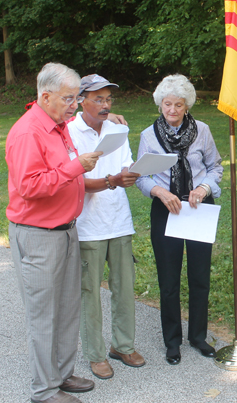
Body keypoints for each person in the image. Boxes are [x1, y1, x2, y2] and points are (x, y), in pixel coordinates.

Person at [6, 63, 102, 403]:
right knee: (43, 314)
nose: (74, 105)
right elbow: (30, 187)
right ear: (45, 96)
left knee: (66, 308)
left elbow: (62, 171)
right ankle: (44, 390)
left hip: (64, 230)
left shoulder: (56, 125)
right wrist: (77, 167)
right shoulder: (28, 132)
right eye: (69, 99)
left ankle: (61, 374)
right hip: (37, 235)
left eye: (76, 98)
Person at [136, 74, 223, 365]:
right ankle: (172, 341)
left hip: (199, 207)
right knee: (169, 280)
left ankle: (198, 336)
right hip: (166, 209)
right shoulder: (149, 135)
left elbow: (215, 167)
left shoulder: (203, 131)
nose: (172, 110)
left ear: (187, 106)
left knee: (200, 277)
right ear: (160, 104)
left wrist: (203, 187)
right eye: (167, 104)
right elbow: (142, 176)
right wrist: (160, 191)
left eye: (178, 105)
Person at [67, 74, 145, 380]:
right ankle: (96, 354)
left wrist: (129, 175)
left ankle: (122, 345)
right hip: (89, 225)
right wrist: (112, 181)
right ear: (81, 100)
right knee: (90, 292)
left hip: (119, 221)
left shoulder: (118, 129)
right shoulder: (70, 131)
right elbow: (76, 181)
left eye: (108, 99)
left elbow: (124, 166)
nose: (105, 104)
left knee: (124, 288)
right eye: (98, 99)